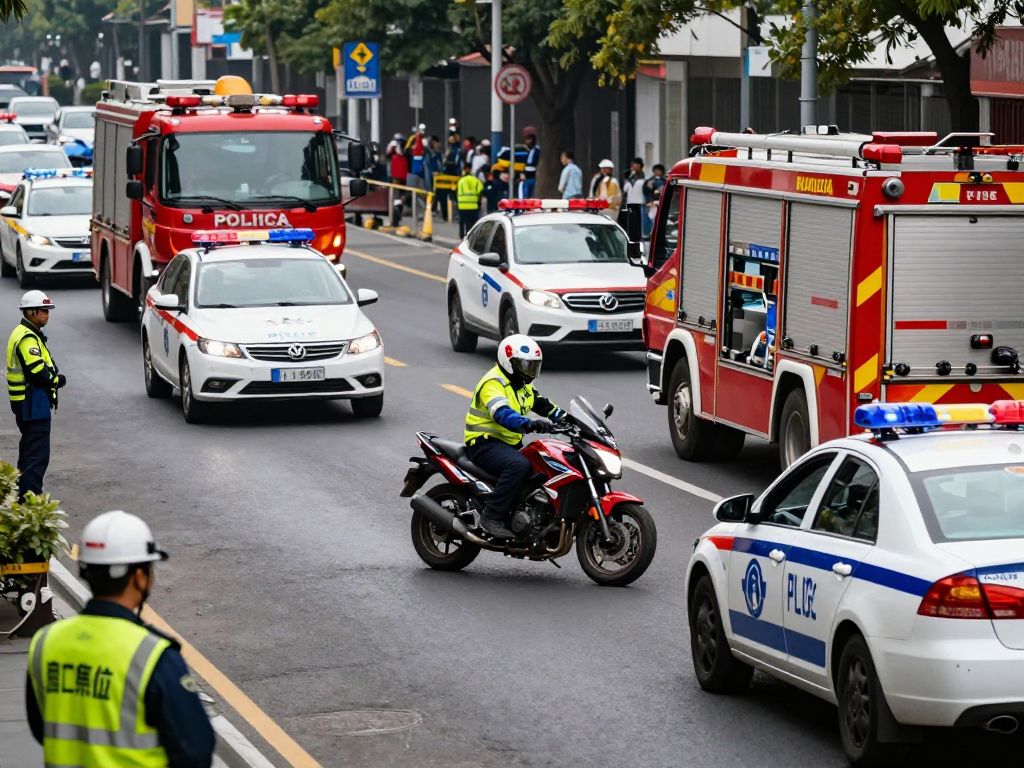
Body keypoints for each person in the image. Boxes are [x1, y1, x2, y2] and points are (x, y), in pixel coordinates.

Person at [25, 511, 216, 767]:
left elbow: (41, 728)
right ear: (139, 577)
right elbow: (196, 751)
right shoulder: (153, 655)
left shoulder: (46, 642)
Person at [464, 335, 565, 538]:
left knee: (545, 465)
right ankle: (491, 517)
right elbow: (502, 414)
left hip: (509, 444)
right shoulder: (492, 383)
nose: (529, 371)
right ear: (508, 363)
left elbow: (545, 405)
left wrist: (569, 420)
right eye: (525, 365)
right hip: (484, 443)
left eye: (533, 366)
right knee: (518, 466)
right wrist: (528, 423)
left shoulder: (523, 385)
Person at [6, 290, 66, 501]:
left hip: (28, 403)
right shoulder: (27, 337)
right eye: (43, 311)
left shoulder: (26, 333)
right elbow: (37, 372)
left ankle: (24, 496)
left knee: (30, 453)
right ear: (30, 312)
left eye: (47, 311)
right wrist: (58, 380)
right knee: (36, 456)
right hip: (32, 404)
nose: (47, 315)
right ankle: (30, 501)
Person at [621, 157, 646, 240]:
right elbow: (625, 190)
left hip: (640, 203)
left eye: (635, 164)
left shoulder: (643, 178)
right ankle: (632, 237)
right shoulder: (630, 178)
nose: (633, 166)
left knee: (639, 222)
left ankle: (639, 237)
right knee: (631, 222)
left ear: (640, 165)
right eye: (633, 164)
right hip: (630, 202)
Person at [456, 162, 484, 237]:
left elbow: (456, 192)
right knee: (472, 224)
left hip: (462, 206)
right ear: (471, 169)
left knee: (462, 222)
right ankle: (470, 238)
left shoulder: (461, 181)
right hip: (473, 206)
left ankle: (462, 237)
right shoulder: (476, 180)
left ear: (464, 169)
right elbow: (481, 191)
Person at [643, 164, 666, 236]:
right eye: (656, 170)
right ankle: (652, 234)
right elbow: (646, 192)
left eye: (659, 170)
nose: (658, 172)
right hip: (652, 204)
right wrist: (649, 201)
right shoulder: (649, 181)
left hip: (662, 203)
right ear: (653, 171)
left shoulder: (665, 181)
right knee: (652, 220)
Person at [520, 128, 540, 198]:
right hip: (526, 176)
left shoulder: (537, 150)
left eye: (529, 139)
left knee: (530, 193)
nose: (528, 141)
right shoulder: (525, 150)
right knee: (525, 193)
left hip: (532, 175)